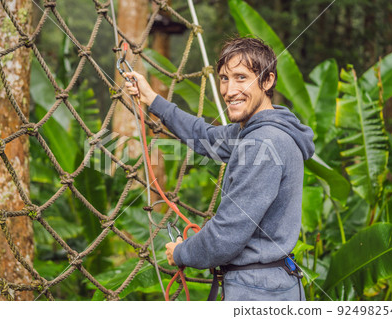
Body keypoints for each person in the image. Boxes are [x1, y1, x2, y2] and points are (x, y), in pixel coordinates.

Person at [125, 37, 314, 301]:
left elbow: (226, 235)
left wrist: (180, 253)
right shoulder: (262, 132)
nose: (229, 90)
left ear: (268, 81)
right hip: (271, 285)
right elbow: (204, 135)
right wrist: (153, 100)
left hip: (256, 293)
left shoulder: (262, 142)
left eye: (241, 77)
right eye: (225, 78)